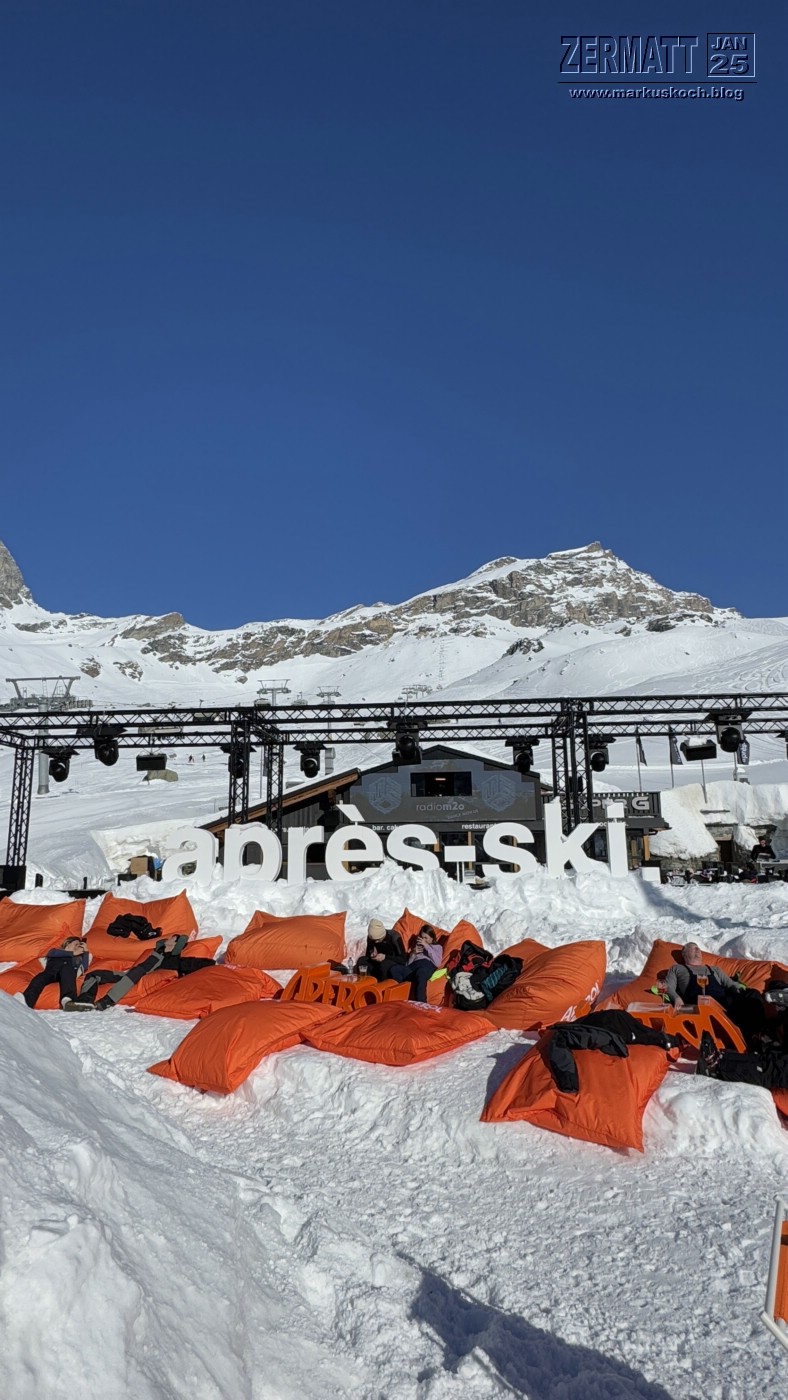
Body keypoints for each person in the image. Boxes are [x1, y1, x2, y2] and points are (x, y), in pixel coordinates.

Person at [664, 942, 768, 1046]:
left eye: (698, 948)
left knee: (753, 994)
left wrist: (740, 989)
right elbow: (667, 986)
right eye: (693, 948)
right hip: (698, 1004)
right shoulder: (677, 968)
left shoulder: (714, 969)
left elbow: (730, 984)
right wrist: (676, 998)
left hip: (722, 1002)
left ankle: (759, 1036)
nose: (698, 950)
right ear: (684, 954)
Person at [23, 936, 90, 1010]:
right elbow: (52, 953)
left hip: (66, 974)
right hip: (51, 972)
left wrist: (86, 951)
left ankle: (68, 1001)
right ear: (68, 943)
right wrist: (73, 953)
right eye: (76, 944)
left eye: (80, 945)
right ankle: (26, 1001)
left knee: (67, 970)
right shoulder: (56, 951)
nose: (78, 947)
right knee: (39, 978)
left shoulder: (77, 958)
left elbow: (85, 967)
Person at [386, 924, 443, 1003]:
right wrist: (413, 953)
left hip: (426, 965)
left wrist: (426, 946)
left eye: (426, 938)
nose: (423, 940)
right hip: (413, 967)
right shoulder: (417, 946)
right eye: (422, 937)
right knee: (395, 969)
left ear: (432, 938)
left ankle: (421, 1002)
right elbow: (408, 964)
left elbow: (437, 962)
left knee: (421, 972)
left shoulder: (437, 947)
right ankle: (403, 993)